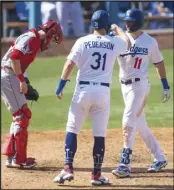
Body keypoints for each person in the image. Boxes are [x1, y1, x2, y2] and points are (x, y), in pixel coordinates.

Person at [53, 10, 130, 185]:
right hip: (102, 94)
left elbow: (69, 64)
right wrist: (117, 29)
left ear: (92, 24)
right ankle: (96, 175)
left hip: (82, 91)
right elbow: (128, 43)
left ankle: (67, 169)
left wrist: (60, 86)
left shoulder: (82, 41)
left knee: (72, 129)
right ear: (106, 25)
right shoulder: (114, 42)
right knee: (99, 135)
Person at [111, 8, 170, 178]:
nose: (127, 23)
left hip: (140, 86)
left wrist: (165, 85)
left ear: (138, 22)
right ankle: (159, 157)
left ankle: (124, 164)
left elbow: (159, 63)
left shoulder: (150, 42)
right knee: (140, 124)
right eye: (126, 21)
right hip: (124, 87)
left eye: (130, 21)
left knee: (128, 121)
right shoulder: (120, 39)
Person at [1, 20, 63, 169]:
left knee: (21, 115)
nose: (49, 43)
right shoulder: (32, 39)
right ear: (49, 33)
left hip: (12, 75)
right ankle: (18, 160)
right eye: (52, 38)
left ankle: (12, 156)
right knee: (22, 116)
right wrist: (22, 81)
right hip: (9, 76)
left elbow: (21, 62)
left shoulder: (33, 38)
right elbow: (14, 58)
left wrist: (26, 82)